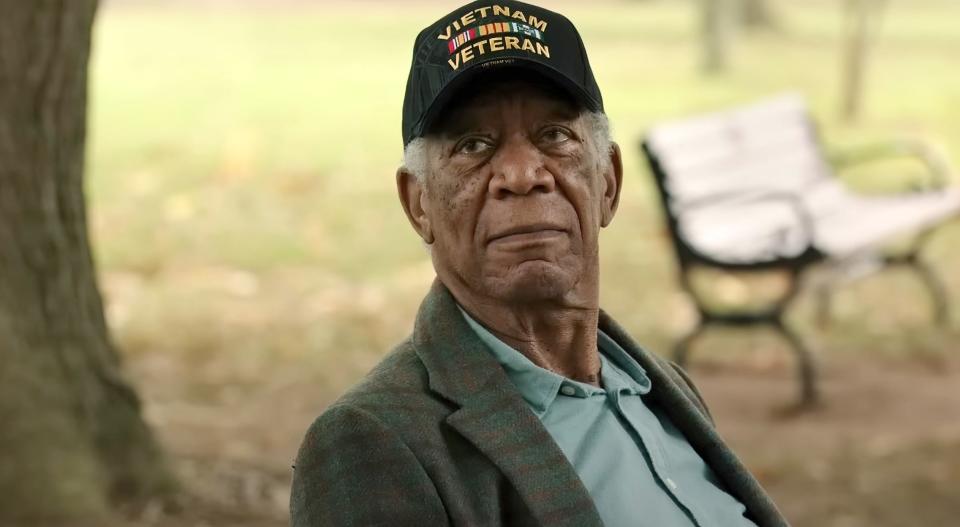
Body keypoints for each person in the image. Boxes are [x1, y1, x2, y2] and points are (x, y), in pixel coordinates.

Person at [290, 1, 787, 525]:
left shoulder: (661, 388)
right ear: (419, 203)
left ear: (608, 182)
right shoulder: (374, 440)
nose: (523, 174)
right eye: (473, 144)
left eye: (554, 135)